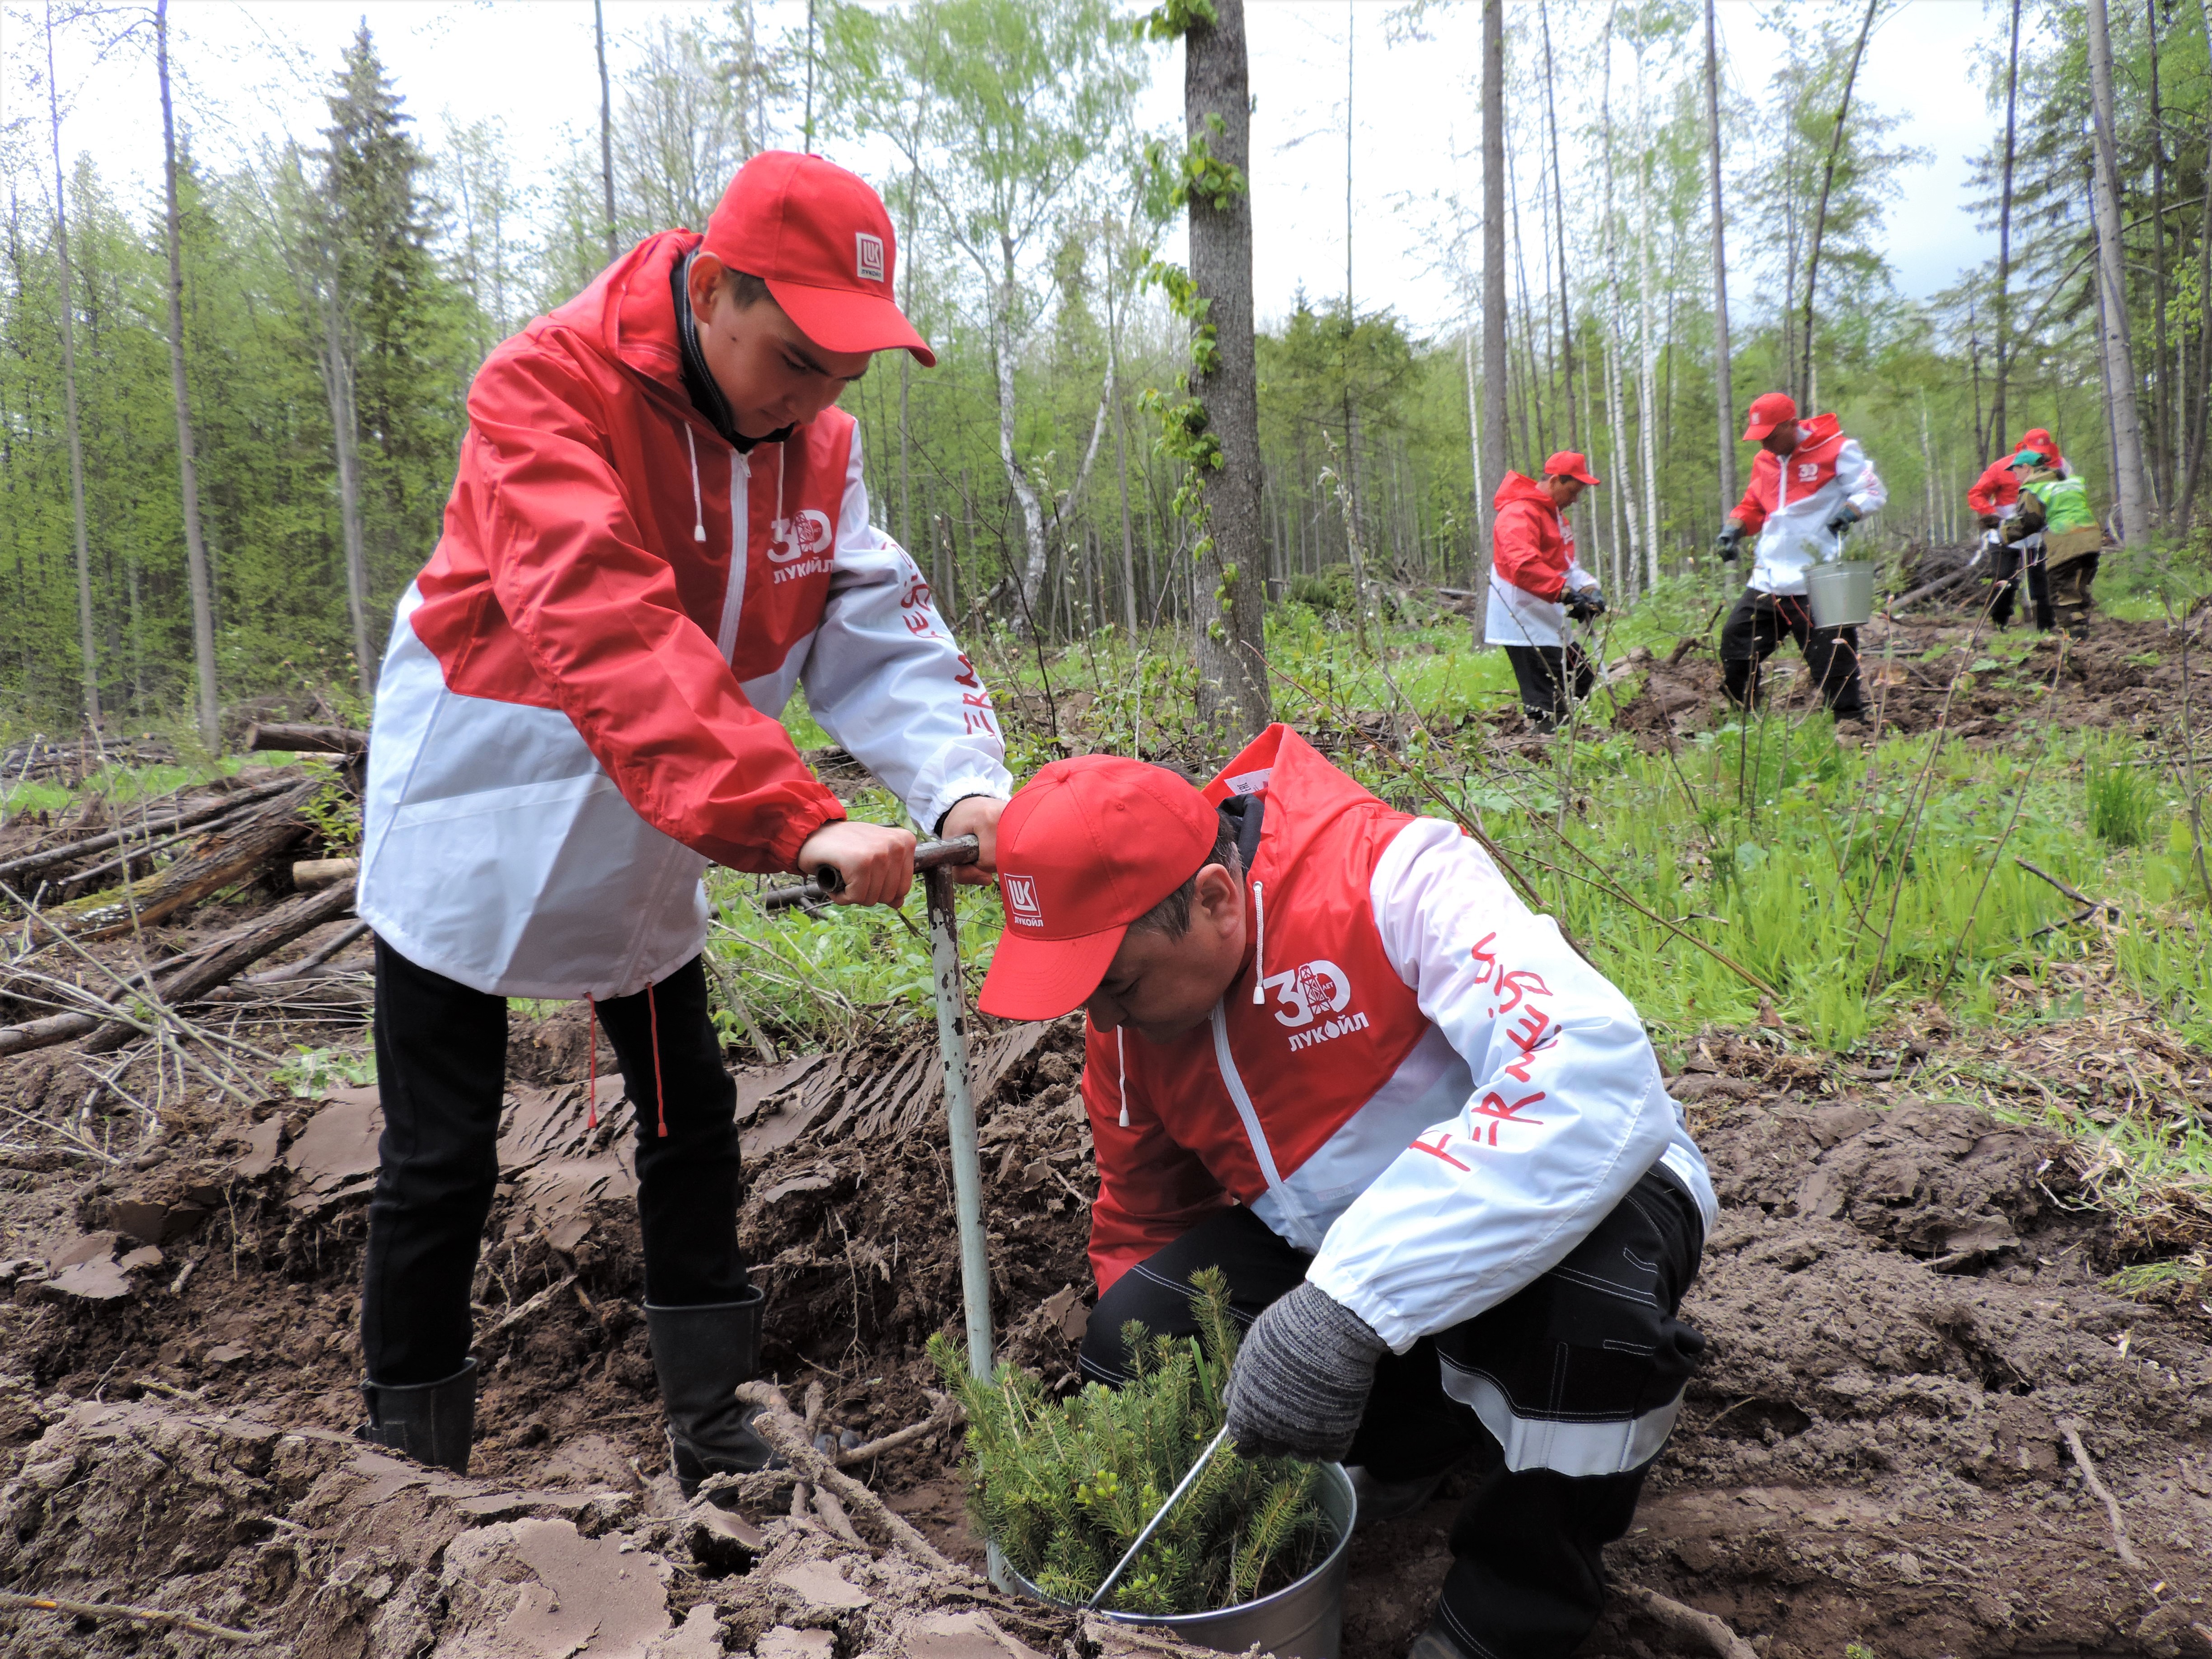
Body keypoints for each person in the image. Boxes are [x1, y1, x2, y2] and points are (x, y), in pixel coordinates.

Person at [351, 152, 1012, 1486]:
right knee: (442, 1153)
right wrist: (795, 817)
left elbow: (863, 615)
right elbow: (606, 623)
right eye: (796, 358)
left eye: (847, 372)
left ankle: (716, 1418)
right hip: (491, 809)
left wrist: (961, 784)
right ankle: (408, 1458)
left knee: (691, 1114)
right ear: (713, 292)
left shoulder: (817, 440)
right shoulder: (544, 389)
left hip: (661, 831)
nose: (820, 399)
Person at [974, 728, 1715, 1659]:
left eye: (1117, 985)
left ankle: (1511, 1610)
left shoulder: (1394, 877)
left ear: (1212, 899)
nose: (1104, 1019)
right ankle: (1400, 1451)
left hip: (1577, 1198)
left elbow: (1589, 1073)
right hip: (1340, 1255)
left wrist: (1350, 1308)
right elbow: (1147, 1215)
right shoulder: (1126, 1024)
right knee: (1139, 1336)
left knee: (1591, 1327)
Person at [1713, 392, 1887, 722]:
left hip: (1821, 573)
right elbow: (1753, 506)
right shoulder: (1764, 461)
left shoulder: (1839, 450)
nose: (1763, 445)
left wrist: (1851, 512)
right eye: (1758, 438)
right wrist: (1732, 530)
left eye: (1770, 436)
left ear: (1792, 425)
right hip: (1769, 578)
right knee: (1736, 643)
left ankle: (1849, 725)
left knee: (1833, 656)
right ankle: (1744, 717)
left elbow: (1872, 491)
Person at [1485, 453, 1607, 732]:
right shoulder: (1518, 513)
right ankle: (1547, 751)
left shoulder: (1555, 518)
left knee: (1582, 677)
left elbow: (1567, 567)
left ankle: (1566, 743)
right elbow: (1522, 565)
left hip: (1547, 618)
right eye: (1573, 491)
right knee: (1546, 698)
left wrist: (1590, 590)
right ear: (1554, 481)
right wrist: (1565, 594)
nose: (1575, 500)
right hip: (1522, 621)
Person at [1968, 427, 2071, 628]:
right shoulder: (2002, 468)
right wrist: (1991, 513)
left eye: (2042, 454)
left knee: (2043, 581)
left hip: (2041, 533)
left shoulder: (2060, 467)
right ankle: (1999, 624)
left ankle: (2046, 627)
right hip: (2005, 532)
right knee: (2004, 580)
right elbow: (1977, 494)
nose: (2038, 457)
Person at [2006, 450, 2102, 637]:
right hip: (2091, 538)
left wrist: (2004, 533)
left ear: (2026, 468)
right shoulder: (2068, 482)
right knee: (2080, 588)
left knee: (2062, 591)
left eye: (2015, 470)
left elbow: (2029, 523)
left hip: (2065, 540)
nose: (2015, 476)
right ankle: (2083, 632)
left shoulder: (2035, 488)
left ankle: (2074, 638)